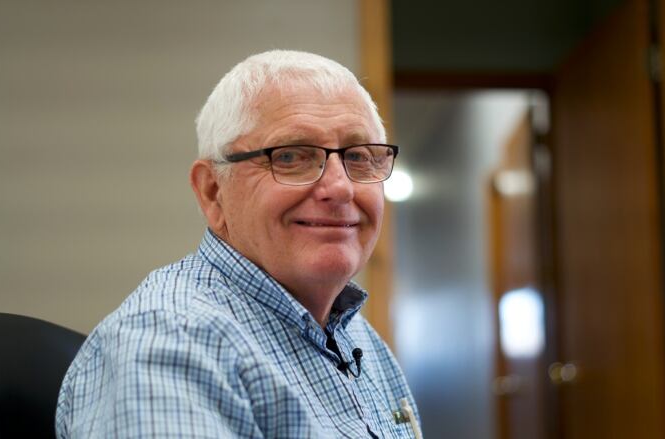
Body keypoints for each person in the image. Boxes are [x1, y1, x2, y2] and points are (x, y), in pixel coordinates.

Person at [55, 50, 420, 438]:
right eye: (291, 156)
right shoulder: (169, 344)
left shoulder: (356, 335)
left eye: (360, 157)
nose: (340, 188)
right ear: (213, 192)